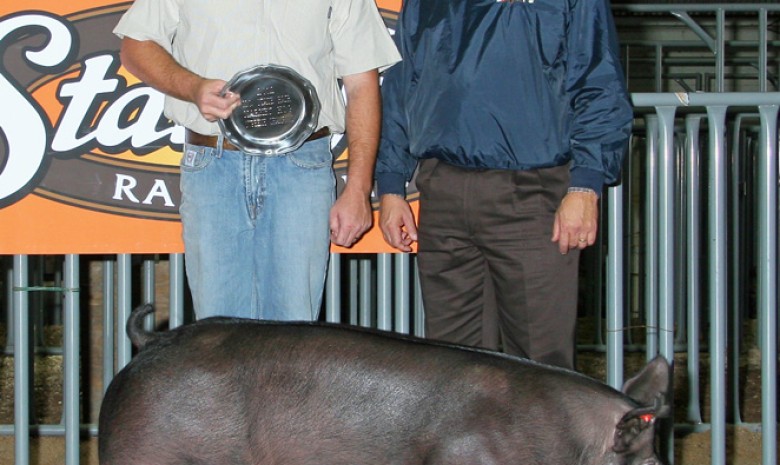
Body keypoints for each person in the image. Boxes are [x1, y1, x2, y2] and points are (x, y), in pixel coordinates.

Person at [375, 0, 633, 369]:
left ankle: (544, 429)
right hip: (443, 188)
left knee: (540, 365)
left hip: (532, 191)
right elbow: (402, 81)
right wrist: (391, 184)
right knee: (450, 364)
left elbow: (599, 80)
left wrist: (585, 185)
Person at [113, 2, 400, 321]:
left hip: (302, 165)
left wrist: (359, 190)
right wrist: (192, 87)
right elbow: (135, 45)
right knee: (219, 335)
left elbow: (362, 84)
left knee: (290, 336)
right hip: (213, 163)